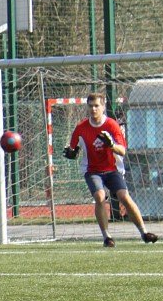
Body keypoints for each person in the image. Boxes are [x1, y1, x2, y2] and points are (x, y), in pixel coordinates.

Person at [62, 92, 157, 247]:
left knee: (124, 197)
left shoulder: (111, 125)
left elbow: (123, 151)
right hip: (92, 170)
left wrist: (111, 144)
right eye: (90, 106)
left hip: (113, 170)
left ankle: (144, 232)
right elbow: (73, 149)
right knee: (100, 196)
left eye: (96, 106)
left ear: (103, 107)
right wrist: (71, 154)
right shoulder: (81, 127)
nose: (93, 109)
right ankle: (107, 237)